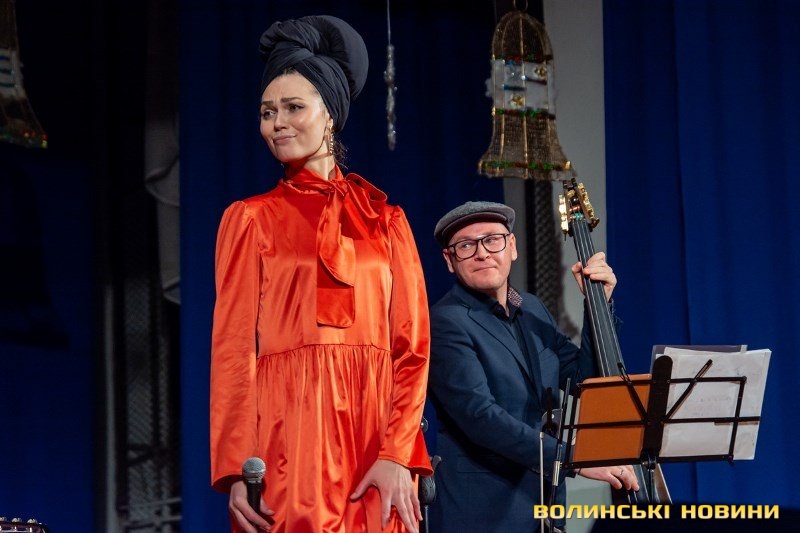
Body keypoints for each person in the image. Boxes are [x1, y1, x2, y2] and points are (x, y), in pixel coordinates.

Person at [209, 15, 432, 533]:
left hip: (376, 438)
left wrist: (398, 452)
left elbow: (412, 349)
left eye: (293, 107)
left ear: (329, 115)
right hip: (289, 436)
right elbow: (233, 352)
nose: (277, 123)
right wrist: (239, 469)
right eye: (267, 112)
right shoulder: (250, 218)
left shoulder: (387, 220)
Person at [426, 201, 639, 532]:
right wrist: (572, 457)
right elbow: (481, 417)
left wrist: (598, 303)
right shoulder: (446, 322)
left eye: (492, 240)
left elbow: (582, 380)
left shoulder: (532, 309)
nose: (482, 253)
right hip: (485, 510)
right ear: (449, 260)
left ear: (511, 247)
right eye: (466, 246)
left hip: (543, 502)